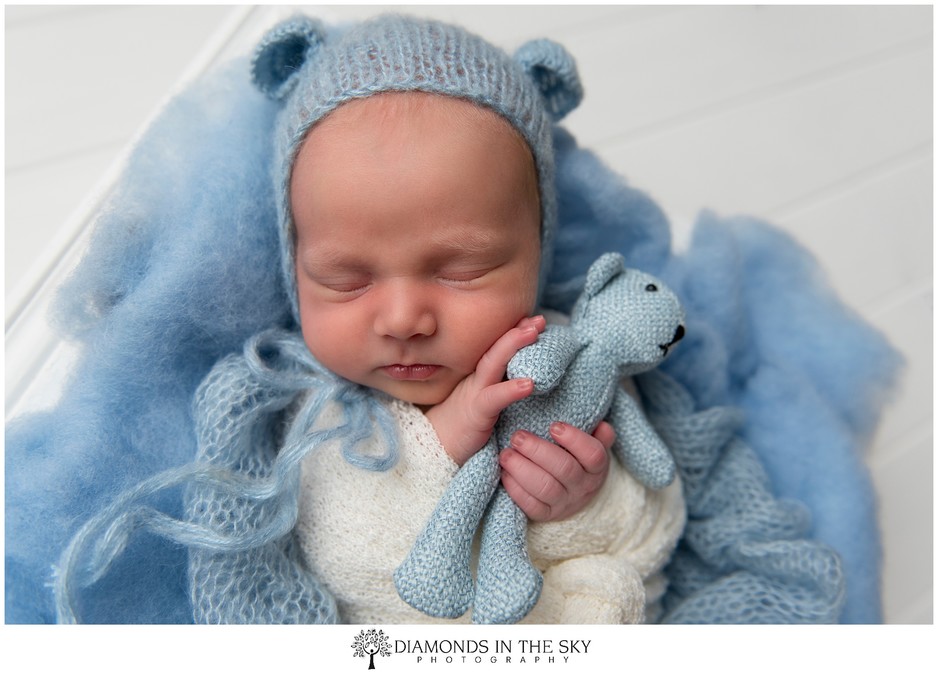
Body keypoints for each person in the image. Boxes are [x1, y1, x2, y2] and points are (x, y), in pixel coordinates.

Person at [182, 13, 686, 625]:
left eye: (462, 271)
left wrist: (584, 500)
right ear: (295, 272)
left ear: (537, 252)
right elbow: (346, 563)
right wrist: (439, 446)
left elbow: (656, 535)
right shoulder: (318, 410)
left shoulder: (572, 366)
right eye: (346, 278)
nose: (402, 319)